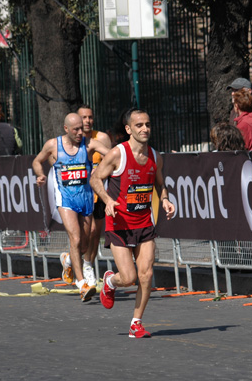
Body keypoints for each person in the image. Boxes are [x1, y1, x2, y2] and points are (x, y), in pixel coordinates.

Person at [90, 109, 175, 338]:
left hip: (144, 223)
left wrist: (165, 199)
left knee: (146, 274)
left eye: (147, 124)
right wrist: (107, 200)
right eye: (139, 125)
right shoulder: (118, 154)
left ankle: (136, 322)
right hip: (119, 224)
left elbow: (160, 184)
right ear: (128, 129)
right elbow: (95, 178)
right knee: (128, 278)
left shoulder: (156, 157)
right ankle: (110, 280)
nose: (145, 129)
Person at [32, 113, 109, 302]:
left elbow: (113, 154)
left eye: (82, 128)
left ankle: (67, 259)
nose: (80, 133)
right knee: (74, 237)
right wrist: (40, 175)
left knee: (84, 242)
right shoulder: (53, 145)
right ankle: (82, 284)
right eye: (76, 129)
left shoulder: (89, 144)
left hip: (86, 198)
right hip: (66, 199)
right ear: (66, 129)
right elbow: (37, 161)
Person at [77, 104, 112, 288]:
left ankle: (88, 265)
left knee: (95, 232)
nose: (88, 121)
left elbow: (112, 161)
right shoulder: (72, 140)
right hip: (80, 193)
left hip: (99, 191)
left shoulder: (102, 138)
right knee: (82, 235)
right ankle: (71, 259)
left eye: (90, 117)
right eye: (84, 117)